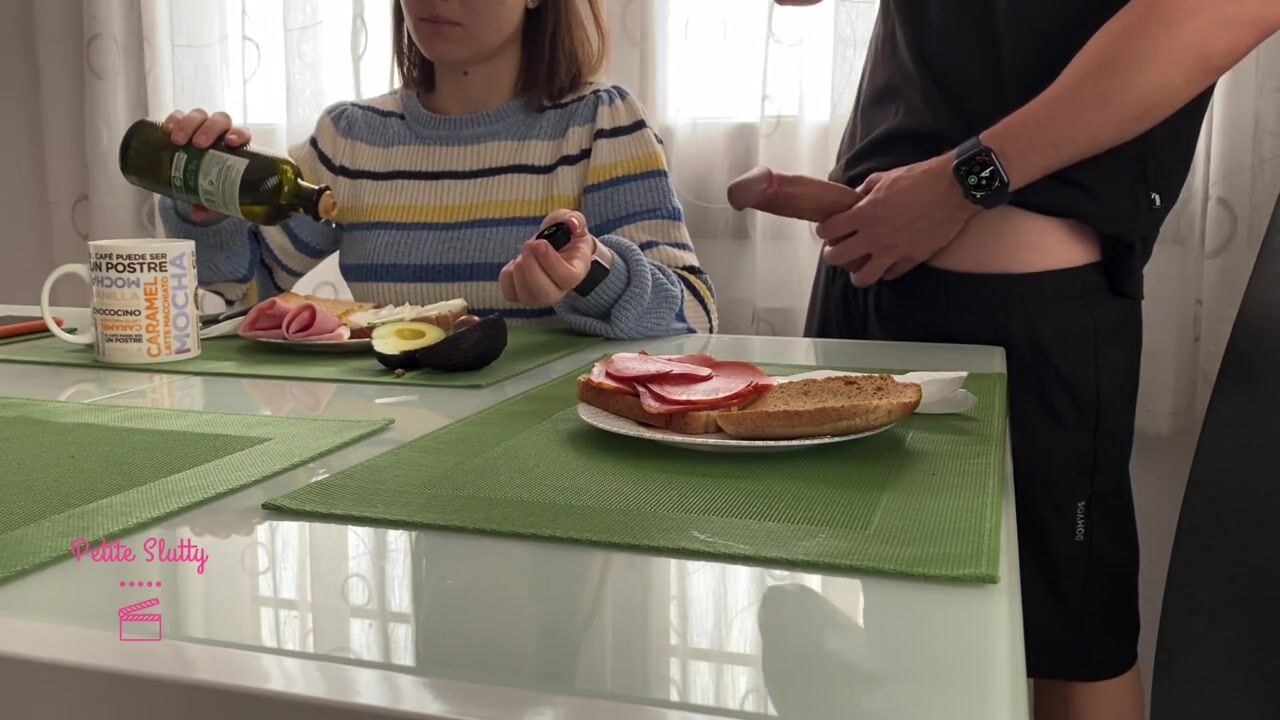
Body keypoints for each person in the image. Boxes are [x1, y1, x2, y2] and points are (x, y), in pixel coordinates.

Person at [776, 0, 1280, 718]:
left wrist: (964, 180)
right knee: (911, 640)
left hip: (1015, 307)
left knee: (1072, 649)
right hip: (867, 274)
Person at [159, 0, 717, 340]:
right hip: (390, 449)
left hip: (558, 456)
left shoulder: (601, 123)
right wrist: (207, 209)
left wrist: (593, 275)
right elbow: (243, 295)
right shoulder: (351, 136)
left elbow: (693, 315)